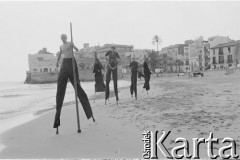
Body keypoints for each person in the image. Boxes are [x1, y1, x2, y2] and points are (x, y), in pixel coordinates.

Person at [53, 34, 94, 132]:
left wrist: (73, 45)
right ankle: (57, 122)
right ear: (61, 39)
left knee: (78, 88)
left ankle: (89, 113)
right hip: (64, 64)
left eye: (64, 37)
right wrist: (56, 63)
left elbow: (78, 50)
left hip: (72, 63)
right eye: (61, 38)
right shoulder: (61, 46)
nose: (63, 39)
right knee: (60, 91)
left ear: (66, 38)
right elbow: (59, 55)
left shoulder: (69, 43)